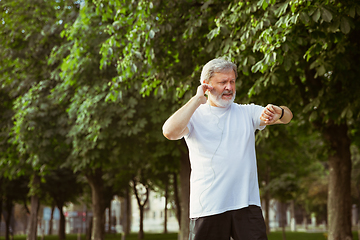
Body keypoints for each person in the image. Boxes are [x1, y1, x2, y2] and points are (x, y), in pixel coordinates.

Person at [162, 58, 293, 240]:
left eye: (232, 81)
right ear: (206, 85)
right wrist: (197, 99)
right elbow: (169, 131)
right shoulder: (194, 116)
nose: (229, 87)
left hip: (247, 205)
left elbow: (287, 117)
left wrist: (279, 112)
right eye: (223, 82)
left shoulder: (247, 112)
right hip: (208, 207)